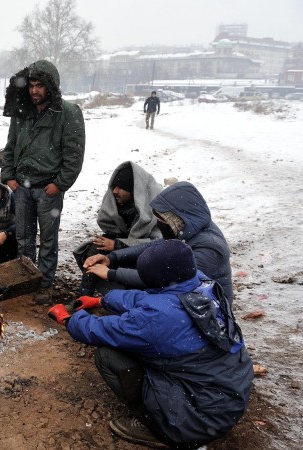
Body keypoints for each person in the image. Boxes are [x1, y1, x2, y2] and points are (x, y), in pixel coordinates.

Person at [48, 240, 253, 448]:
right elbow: (146, 298)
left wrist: (69, 319)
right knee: (152, 349)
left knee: (108, 356)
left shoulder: (159, 316)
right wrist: (103, 301)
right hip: (227, 397)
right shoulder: (202, 284)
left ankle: (157, 427)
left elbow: (101, 330)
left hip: (198, 418)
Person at [0, 59, 86, 303]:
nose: (34, 91)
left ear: (51, 86)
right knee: (24, 239)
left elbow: (74, 154)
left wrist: (59, 184)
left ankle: (45, 283)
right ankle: (27, 280)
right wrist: (8, 175)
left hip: (48, 189)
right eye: (31, 85)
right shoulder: (23, 112)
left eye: (40, 85)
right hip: (22, 187)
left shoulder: (67, 114)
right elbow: (11, 145)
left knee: (48, 241)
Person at [84, 181, 234, 303]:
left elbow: (168, 278)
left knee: (146, 311)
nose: (160, 224)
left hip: (206, 310)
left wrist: (112, 274)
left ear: (176, 218)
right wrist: (112, 258)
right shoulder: (189, 230)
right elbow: (155, 246)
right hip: (189, 296)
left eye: (162, 220)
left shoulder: (209, 247)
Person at [73, 162, 163, 296]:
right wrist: (110, 241)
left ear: (134, 190)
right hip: (127, 249)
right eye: (114, 186)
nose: (115, 191)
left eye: (121, 188)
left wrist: (118, 245)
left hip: (151, 257)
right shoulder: (120, 204)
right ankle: (84, 297)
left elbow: (159, 245)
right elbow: (114, 230)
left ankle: (132, 297)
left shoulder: (157, 207)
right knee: (94, 250)